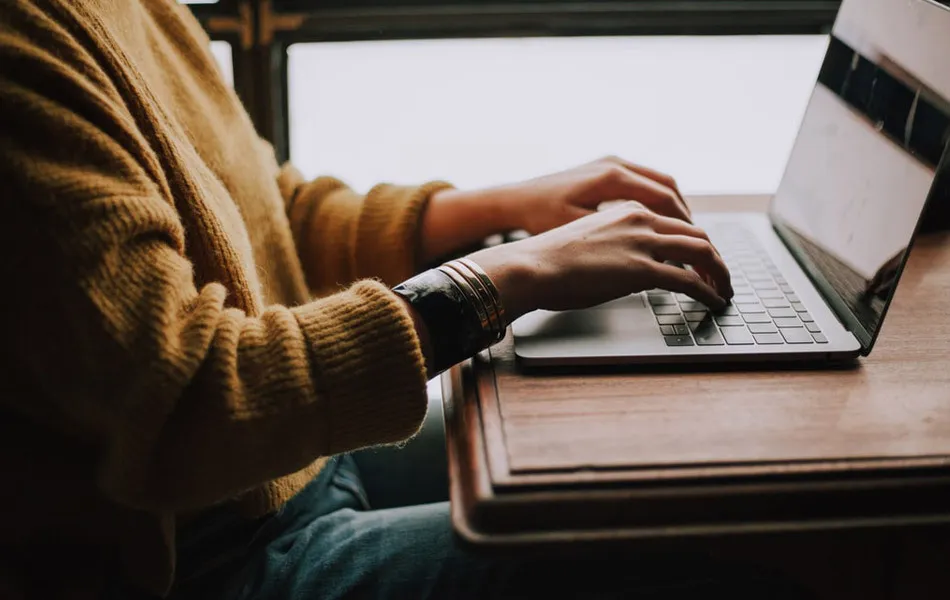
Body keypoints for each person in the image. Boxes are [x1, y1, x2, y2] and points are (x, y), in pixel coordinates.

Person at [0, 1, 822, 599]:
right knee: (704, 547)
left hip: (292, 466)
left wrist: (499, 209)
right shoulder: (21, 44)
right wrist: (511, 275)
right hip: (206, 556)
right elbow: (191, 402)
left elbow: (261, 213)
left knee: (670, 460)